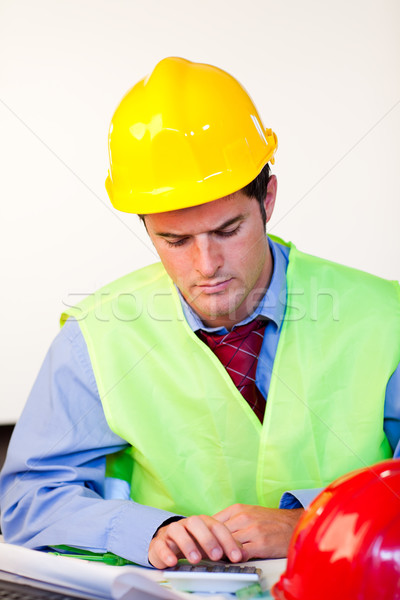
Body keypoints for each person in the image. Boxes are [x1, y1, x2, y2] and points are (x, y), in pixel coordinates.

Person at [0, 57, 399, 570]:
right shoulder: (96, 336)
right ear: (145, 226)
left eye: (228, 231)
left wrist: (317, 520)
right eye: (175, 240)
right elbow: (28, 499)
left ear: (268, 198)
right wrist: (149, 532)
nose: (206, 265)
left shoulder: (383, 315)